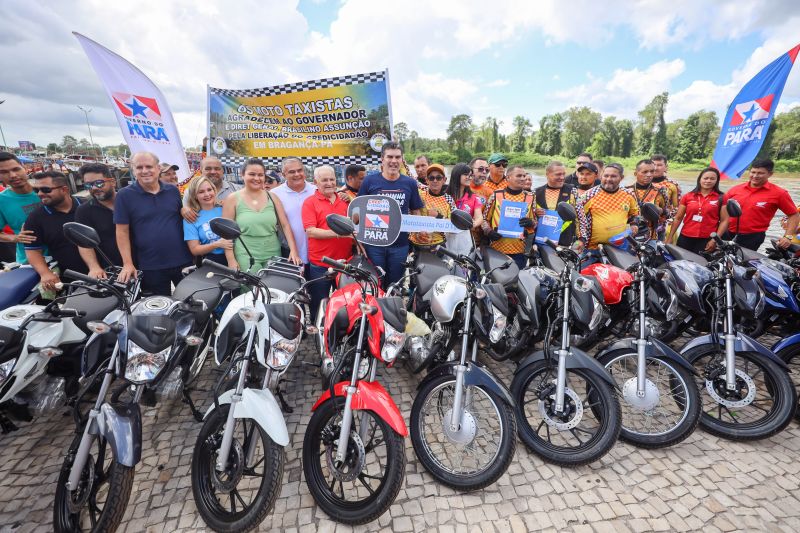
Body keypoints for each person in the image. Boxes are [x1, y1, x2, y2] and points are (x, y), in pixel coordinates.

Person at [115, 152, 193, 295]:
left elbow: (180, 215)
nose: (144, 171)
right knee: (158, 311)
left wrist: (184, 209)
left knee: (191, 305)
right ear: (133, 170)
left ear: (157, 169)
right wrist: (127, 263)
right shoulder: (124, 195)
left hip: (183, 260)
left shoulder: (173, 191)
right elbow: (122, 232)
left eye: (149, 166)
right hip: (151, 266)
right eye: (139, 167)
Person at [357, 141, 424, 288]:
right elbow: (358, 211)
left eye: (397, 157)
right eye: (390, 157)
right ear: (382, 159)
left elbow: (415, 211)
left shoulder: (410, 183)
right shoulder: (369, 181)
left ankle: (392, 310)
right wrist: (359, 240)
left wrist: (419, 230)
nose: (394, 161)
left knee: (395, 286)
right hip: (374, 244)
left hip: (400, 245)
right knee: (375, 285)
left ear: (402, 159)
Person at [221, 158, 301, 273]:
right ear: (242, 175)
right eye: (252, 174)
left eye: (260, 175)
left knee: (273, 288)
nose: (257, 178)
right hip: (246, 253)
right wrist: (231, 260)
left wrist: (293, 250)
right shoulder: (233, 199)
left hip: (273, 251)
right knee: (251, 289)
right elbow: (226, 233)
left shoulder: (273, 197)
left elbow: (285, 225)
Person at [303, 165, 353, 320]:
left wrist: (351, 199)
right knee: (319, 303)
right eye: (324, 180)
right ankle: (318, 335)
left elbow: (356, 223)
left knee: (346, 302)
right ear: (315, 182)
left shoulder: (345, 201)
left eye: (332, 179)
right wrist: (339, 234)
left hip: (345, 262)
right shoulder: (310, 202)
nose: (329, 183)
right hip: (321, 263)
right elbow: (310, 231)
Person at [717, 158, 799, 251]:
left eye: (760, 173)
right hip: (726, 231)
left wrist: (788, 237)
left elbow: (794, 215)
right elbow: (721, 210)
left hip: (752, 236)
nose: (755, 176)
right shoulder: (736, 189)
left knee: (740, 263)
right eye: (753, 172)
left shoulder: (779, 193)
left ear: (770, 174)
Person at [23, 171, 85, 291]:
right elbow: (33, 251)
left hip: (104, 270)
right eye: (37, 190)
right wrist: (45, 273)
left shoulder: (87, 206)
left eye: (46, 190)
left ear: (64, 189)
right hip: (71, 278)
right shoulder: (35, 218)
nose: (40, 194)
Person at [575, 163, 640, 253]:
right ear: (601, 176)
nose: (609, 179)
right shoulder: (587, 196)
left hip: (619, 247)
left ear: (621, 177)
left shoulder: (629, 194)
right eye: (606, 176)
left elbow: (635, 214)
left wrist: (634, 224)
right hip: (592, 248)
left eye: (613, 176)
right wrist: (581, 240)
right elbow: (579, 220)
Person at [482, 164, 536, 269]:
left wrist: (531, 223)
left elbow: (534, 222)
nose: (523, 179)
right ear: (508, 178)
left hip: (519, 250)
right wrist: (488, 231)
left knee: (517, 282)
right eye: (519, 176)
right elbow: (485, 219)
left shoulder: (530, 197)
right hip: (497, 248)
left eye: (524, 176)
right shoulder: (496, 195)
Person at [74, 163, 123, 278]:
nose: (94, 188)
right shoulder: (84, 210)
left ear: (112, 182)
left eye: (99, 183)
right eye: (88, 185)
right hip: (112, 270)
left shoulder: (129, 201)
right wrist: (94, 267)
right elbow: (83, 243)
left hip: (146, 263)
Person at [271, 157, 316, 266]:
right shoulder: (274, 194)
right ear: (283, 174)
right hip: (289, 251)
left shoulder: (316, 190)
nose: (297, 174)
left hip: (315, 250)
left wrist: (345, 196)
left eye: (300, 170)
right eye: (292, 172)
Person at [666, 167, 722, 254]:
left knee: (702, 265)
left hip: (707, 239)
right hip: (685, 237)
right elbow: (678, 218)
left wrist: (714, 240)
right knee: (682, 264)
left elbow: (725, 221)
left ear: (717, 181)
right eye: (705, 178)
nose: (708, 181)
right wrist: (669, 238)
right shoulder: (688, 196)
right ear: (700, 179)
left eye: (712, 179)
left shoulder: (721, 197)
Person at [0, 152, 39, 263]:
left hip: (61, 252)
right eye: (4, 172)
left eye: (16, 169)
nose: (12, 175)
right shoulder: (1, 200)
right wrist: (15, 238)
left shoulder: (44, 191)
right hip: (29, 261)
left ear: (25, 168)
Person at [183, 176, 231, 265]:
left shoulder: (225, 208)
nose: (207, 194)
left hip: (236, 256)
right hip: (213, 262)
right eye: (201, 192)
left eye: (209, 190)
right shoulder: (191, 217)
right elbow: (194, 250)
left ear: (214, 190)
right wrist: (217, 244)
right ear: (195, 196)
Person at [409, 163, 457, 250]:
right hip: (415, 243)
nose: (435, 181)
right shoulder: (419, 192)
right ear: (427, 180)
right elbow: (407, 174)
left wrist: (438, 216)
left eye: (438, 178)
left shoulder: (449, 200)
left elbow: (453, 224)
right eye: (431, 178)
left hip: (438, 245)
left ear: (444, 180)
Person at [182, 156, 240, 222]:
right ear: (201, 171)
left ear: (222, 171)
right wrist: (184, 209)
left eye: (217, 168)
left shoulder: (236, 189)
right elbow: (186, 213)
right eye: (208, 169)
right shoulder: (190, 192)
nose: (213, 172)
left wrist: (232, 205)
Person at [624, 159, 668, 242]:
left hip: (652, 236)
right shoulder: (626, 190)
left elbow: (669, 214)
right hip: (630, 235)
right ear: (635, 173)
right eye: (645, 172)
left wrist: (661, 211)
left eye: (652, 171)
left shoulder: (660, 190)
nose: (649, 175)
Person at [533, 161, 577, 246]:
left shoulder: (572, 190)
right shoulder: (536, 192)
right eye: (558, 174)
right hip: (541, 239)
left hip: (564, 241)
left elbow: (580, 217)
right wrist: (535, 213)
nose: (562, 177)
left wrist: (582, 239)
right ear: (547, 174)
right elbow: (530, 217)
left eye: (564, 174)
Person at [446, 163, 484, 256]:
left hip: (465, 237)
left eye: (470, 175)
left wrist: (472, 224)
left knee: (464, 267)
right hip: (446, 237)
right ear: (457, 175)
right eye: (466, 174)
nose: (469, 177)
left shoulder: (474, 197)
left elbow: (479, 217)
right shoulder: (445, 195)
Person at [650, 154, 682, 221]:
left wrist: (666, 218)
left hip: (663, 223)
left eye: (659, 165)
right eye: (653, 165)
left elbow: (678, 209)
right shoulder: (642, 183)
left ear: (666, 167)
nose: (655, 168)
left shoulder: (673, 185)